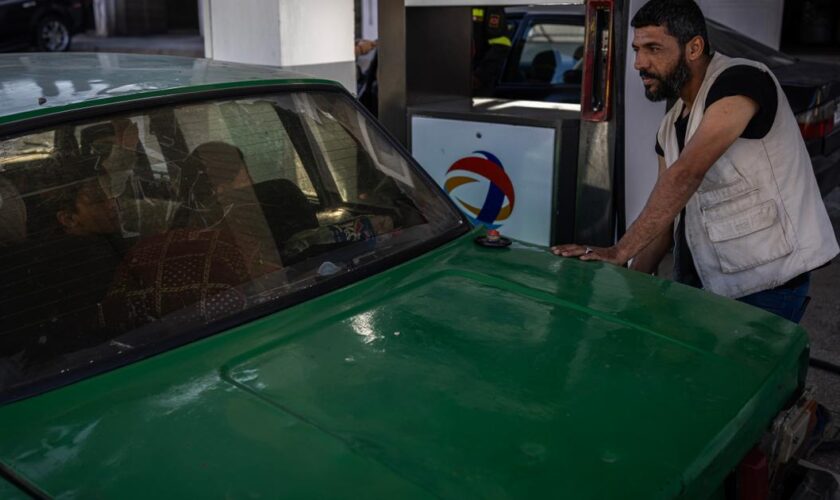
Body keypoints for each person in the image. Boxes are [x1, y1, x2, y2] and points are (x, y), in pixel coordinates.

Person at [551, 0, 839, 323]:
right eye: (636, 49)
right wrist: (628, 287)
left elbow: (687, 173)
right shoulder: (669, 128)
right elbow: (664, 219)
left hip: (768, 284)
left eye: (653, 49)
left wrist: (618, 251)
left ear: (694, 48)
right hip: (710, 287)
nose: (639, 63)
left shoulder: (741, 80)